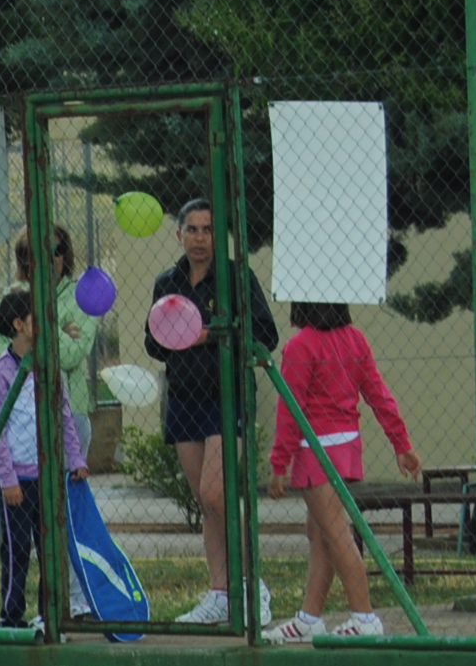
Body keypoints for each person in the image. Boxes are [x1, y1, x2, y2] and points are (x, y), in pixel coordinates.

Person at [146, 197, 278, 625]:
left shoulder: (237, 278)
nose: (200, 238)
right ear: (179, 234)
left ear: (218, 236)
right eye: (193, 229)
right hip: (184, 399)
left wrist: (215, 333)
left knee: (215, 493)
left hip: (226, 398)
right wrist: (172, 333)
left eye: (208, 230)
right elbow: (153, 344)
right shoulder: (168, 283)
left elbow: (266, 333)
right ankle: (220, 592)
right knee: (206, 504)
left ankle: (252, 584)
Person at [267, 303, 421, 642]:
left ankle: (365, 617)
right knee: (321, 533)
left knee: (336, 534)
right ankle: (309, 619)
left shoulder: (300, 345)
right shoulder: (355, 339)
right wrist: (400, 442)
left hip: (316, 452)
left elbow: (290, 408)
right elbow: (378, 394)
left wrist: (279, 462)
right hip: (347, 448)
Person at [0, 290, 89, 634]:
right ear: (18, 324)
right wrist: (8, 479)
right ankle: (10, 617)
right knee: (17, 549)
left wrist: (75, 458)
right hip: (17, 480)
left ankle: (50, 615)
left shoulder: (49, 365)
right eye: (36, 317)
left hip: (48, 476)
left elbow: (65, 416)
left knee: (50, 549)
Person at [0, 226, 99, 380]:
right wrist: (55, 336)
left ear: (65, 256)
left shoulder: (81, 298)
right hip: (20, 392)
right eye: (40, 252)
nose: (49, 259)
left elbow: (70, 356)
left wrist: (22, 341)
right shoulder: (14, 294)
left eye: (56, 251)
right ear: (26, 260)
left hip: (65, 394)